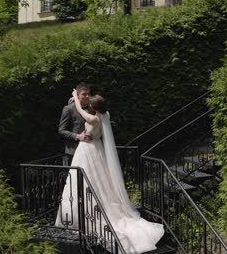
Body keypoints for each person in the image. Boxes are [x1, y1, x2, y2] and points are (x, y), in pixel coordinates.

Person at [55, 92, 164, 253]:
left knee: (88, 180)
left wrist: (75, 98)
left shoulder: (93, 119)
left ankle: (81, 216)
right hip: (97, 149)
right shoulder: (105, 115)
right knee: (100, 181)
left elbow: (80, 109)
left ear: (93, 107)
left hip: (88, 150)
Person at [58, 83, 92, 165]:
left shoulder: (92, 108)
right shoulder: (68, 109)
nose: (87, 96)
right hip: (73, 151)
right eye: (84, 94)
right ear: (78, 95)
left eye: (89, 94)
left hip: (90, 150)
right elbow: (61, 130)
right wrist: (78, 136)